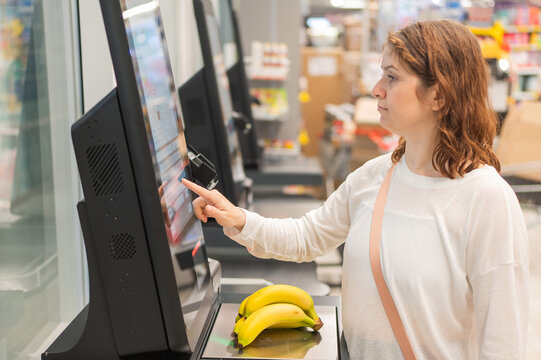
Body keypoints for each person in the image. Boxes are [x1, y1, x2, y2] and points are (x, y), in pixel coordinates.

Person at [182, 20, 529, 359]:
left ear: (437, 94)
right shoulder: (374, 178)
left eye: (391, 77)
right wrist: (240, 220)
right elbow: (308, 236)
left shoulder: (487, 199)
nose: (376, 88)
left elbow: (503, 342)